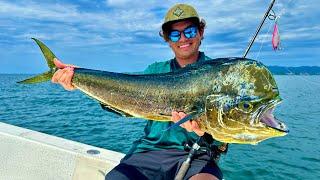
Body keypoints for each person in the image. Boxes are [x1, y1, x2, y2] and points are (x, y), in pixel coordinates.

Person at [52, 4, 226, 180]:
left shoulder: (219, 74)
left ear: (201, 32)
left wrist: (203, 132)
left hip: (198, 156)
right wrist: (80, 77)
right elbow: (122, 91)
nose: (182, 39)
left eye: (189, 31)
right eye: (175, 34)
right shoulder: (155, 70)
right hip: (149, 151)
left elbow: (225, 139)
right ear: (167, 39)